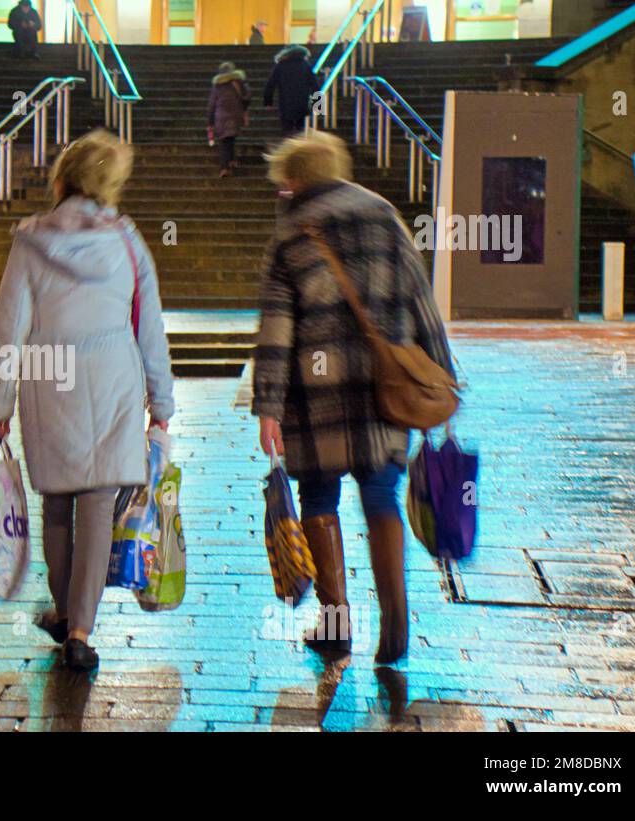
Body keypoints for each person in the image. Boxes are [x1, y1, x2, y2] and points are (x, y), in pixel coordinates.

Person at [251, 131, 455, 665]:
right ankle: (395, 625)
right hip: (385, 389)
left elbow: (277, 328)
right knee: (382, 496)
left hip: (316, 396)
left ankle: (336, 625)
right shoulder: (383, 214)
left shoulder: (292, 233)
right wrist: (441, 374)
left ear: (294, 180)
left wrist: (268, 405)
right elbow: (421, 299)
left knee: (320, 499)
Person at [0, 130, 175, 672]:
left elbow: (9, 325)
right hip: (113, 376)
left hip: (50, 379)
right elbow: (149, 325)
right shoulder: (127, 241)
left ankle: (66, 609)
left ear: (62, 180)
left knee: (58, 504)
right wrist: (160, 398)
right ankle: (82, 630)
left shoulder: (29, 240)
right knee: (97, 505)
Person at [207, 62, 252, 178]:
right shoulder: (239, 82)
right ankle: (231, 160)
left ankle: (224, 167)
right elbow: (247, 97)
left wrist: (209, 121)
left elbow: (212, 104)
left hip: (220, 116)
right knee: (230, 138)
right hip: (235, 114)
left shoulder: (217, 85)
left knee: (223, 141)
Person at [263, 44, 318, 136]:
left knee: (287, 129)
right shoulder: (305, 65)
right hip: (302, 103)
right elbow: (315, 85)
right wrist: (318, 105)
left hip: (286, 103)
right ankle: (299, 147)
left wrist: (268, 102)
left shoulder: (281, 66)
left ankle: (289, 146)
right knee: (301, 129)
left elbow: (270, 84)